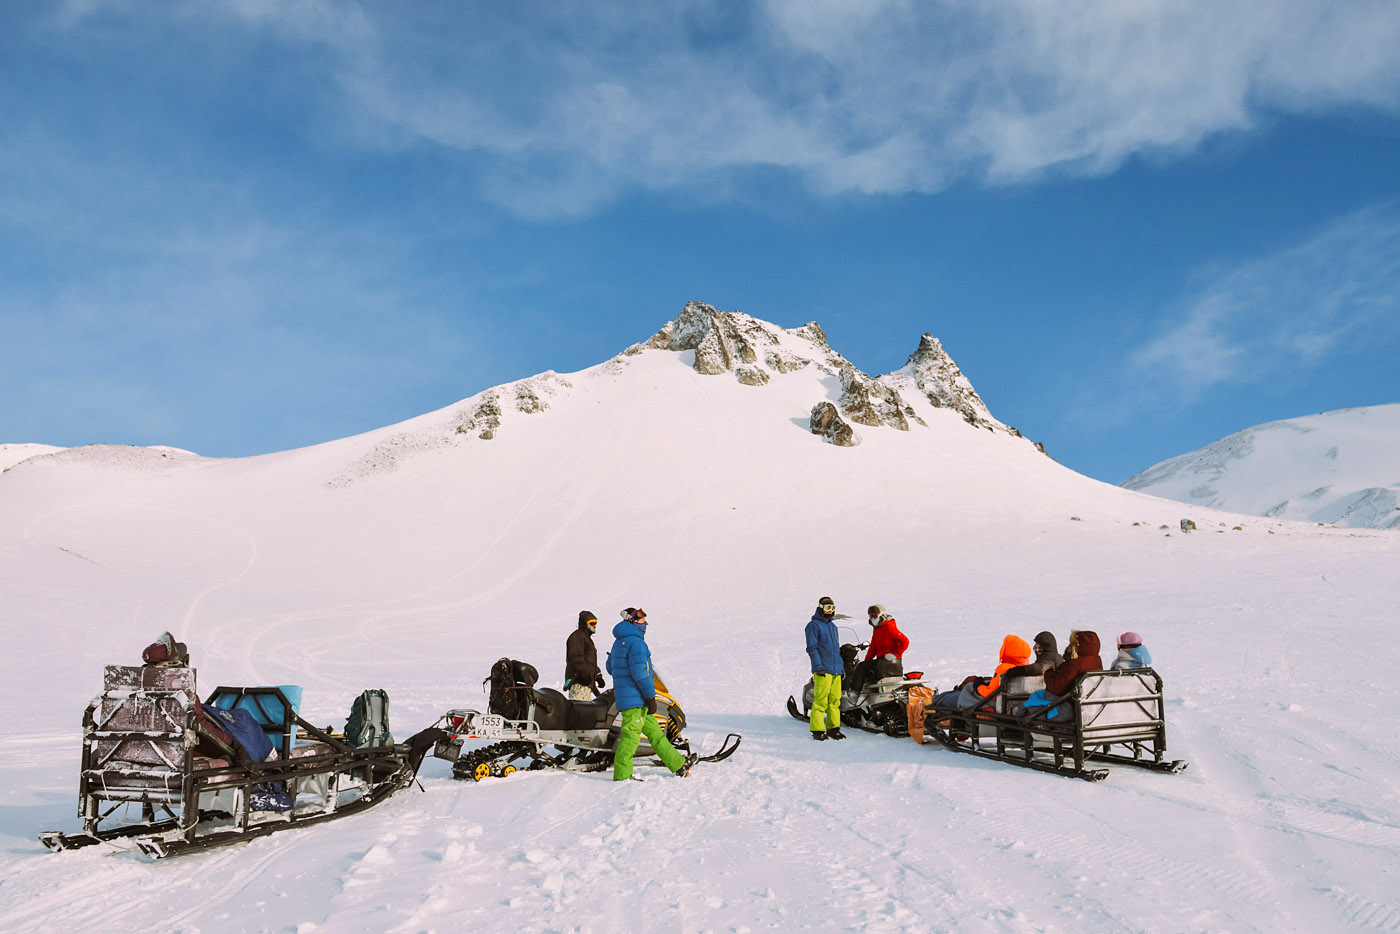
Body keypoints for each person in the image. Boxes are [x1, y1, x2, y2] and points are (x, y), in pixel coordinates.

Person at [607, 608, 696, 780]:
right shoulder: (637, 643)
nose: (645, 624)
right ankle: (622, 776)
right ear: (633, 622)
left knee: (656, 734)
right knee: (631, 737)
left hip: (631, 698)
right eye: (641, 621)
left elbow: (610, 668)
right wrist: (650, 697)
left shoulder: (618, 642)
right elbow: (641, 673)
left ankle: (678, 764)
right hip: (636, 699)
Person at [931, 635, 1032, 709]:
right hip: (1008, 702)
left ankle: (931, 701)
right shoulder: (1026, 669)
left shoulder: (1005, 668)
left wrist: (978, 685)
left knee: (945, 699)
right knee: (953, 694)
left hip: (987, 702)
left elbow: (989, 693)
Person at [804, 596, 845, 740]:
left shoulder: (833, 626)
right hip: (823, 670)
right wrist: (818, 667)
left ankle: (834, 729)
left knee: (835, 701)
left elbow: (836, 649)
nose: (830, 611)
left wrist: (841, 667)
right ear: (820, 608)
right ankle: (818, 730)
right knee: (821, 701)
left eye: (832, 608)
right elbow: (812, 648)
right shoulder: (813, 626)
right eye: (827, 608)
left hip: (836, 671)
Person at [564, 610, 605, 700]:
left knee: (587, 712)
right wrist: (584, 674)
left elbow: (590, 661)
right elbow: (576, 657)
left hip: (586, 684)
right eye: (591, 623)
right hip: (578, 682)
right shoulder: (577, 637)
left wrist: (598, 676)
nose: (594, 626)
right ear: (584, 623)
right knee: (580, 712)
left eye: (595, 623)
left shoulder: (587, 639)